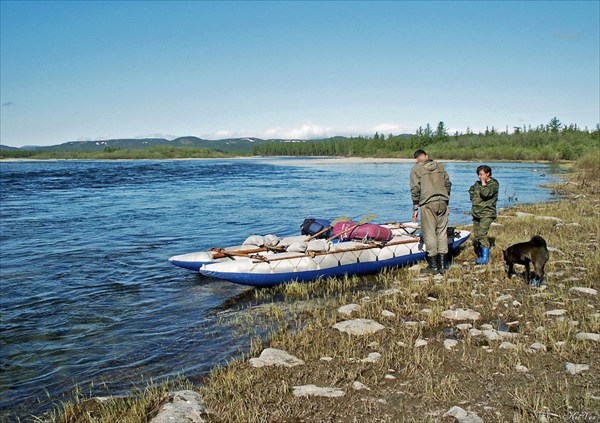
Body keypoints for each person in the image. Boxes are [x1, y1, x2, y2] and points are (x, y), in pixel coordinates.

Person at [410, 149, 452, 274]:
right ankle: (443, 265)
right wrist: (446, 202)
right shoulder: (440, 166)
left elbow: (415, 189)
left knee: (429, 233)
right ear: (427, 156)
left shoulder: (416, 169)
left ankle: (433, 266)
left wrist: (415, 208)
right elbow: (448, 184)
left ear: (417, 159)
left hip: (427, 203)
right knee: (442, 232)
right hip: (442, 202)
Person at [468, 165, 499, 264]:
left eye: (481, 174)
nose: (479, 177)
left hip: (487, 213)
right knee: (477, 235)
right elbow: (471, 190)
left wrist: (484, 183)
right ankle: (480, 255)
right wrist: (473, 197)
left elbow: (486, 194)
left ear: (487, 174)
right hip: (476, 212)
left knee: (482, 234)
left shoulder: (493, 184)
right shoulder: (477, 184)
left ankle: (485, 258)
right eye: (478, 175)